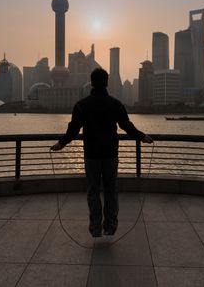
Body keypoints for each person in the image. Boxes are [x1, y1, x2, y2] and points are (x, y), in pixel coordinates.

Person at [51, 68, 153, 237]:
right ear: (107, 83)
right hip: (110, 154)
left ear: (91, 83)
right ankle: (110, 226)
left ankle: (95, 228)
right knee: (111, 190)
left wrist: (61, 143)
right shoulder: (116, 104)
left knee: (93, 190)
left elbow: (73, 129)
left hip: (91, 154)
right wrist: (143, 137)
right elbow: (126, 126)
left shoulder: (81, 105)